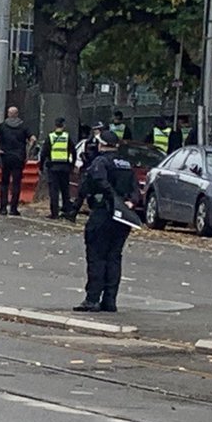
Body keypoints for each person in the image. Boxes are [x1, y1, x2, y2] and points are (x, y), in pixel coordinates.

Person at [74, 130, 137, 312]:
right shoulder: (125, 164)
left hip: (103, 213)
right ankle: (110, 300)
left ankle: (92, 299)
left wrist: (112, 197)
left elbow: (92, 183)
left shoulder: (100, 162)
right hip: (122, 216)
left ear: (101, 144)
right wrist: (127, 203)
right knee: (114, 257)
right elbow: (135, 191)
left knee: (97, 256)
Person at [0, 106, 34, 215]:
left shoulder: (2, 125)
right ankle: (13, 208)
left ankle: (2, 208)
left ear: (8, 114)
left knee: (4, 183)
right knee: (16, 183)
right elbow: (32, 139)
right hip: (18, 157)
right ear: (17, 114)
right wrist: (28, 152)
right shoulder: (23, 126)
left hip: (6, 156)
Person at [42, 117, 76, 219]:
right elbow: (73, 151)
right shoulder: (67, 137)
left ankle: (54, 213)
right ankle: (67, 211)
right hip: (65, 167)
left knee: (54, 190)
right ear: (63, 125)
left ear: (55, 125)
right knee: (65, 190)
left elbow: (44, 153)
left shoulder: (50, 137)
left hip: (53, 167)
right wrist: (72, 165)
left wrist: (41, 166)